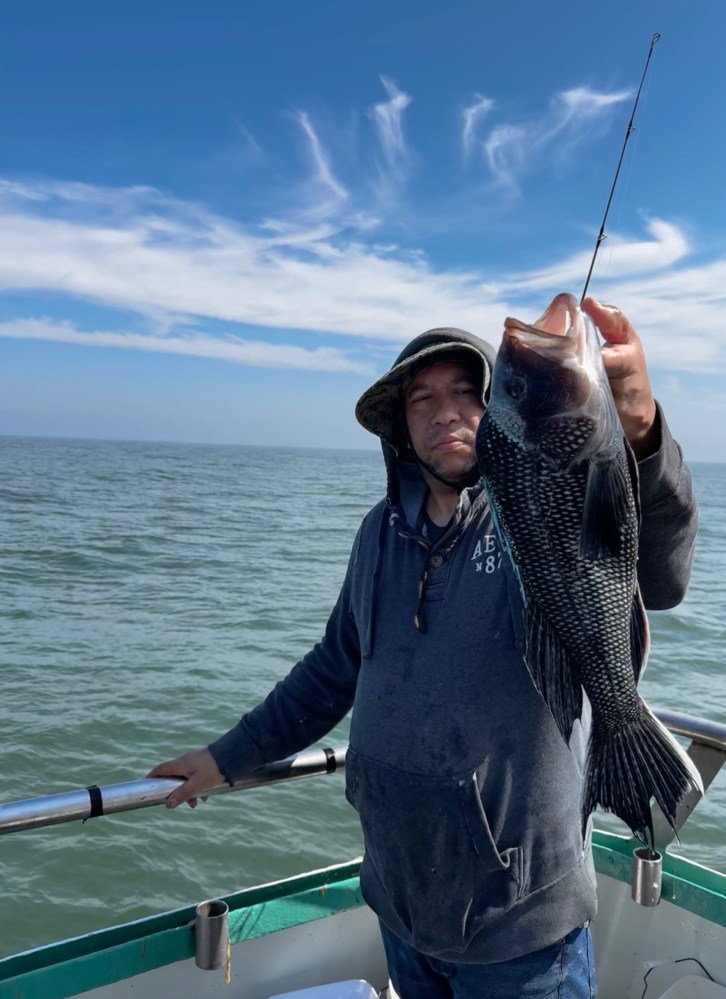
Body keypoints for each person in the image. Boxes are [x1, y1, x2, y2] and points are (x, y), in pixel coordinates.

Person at [148, 296, 698, 999]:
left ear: (499, 407)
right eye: (423, 398)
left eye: (469, 391)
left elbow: (659, 572)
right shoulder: (377, 535)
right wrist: (228, 756)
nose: (446, 411)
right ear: (400, 425)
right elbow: (331, 670)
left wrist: (642, 431)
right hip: (403, 905)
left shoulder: (530, 514)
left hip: (523, 932)